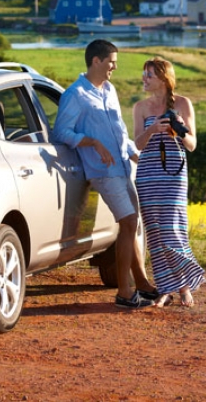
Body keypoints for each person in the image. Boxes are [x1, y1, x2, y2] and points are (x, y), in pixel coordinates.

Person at [54, 39, 159, 309]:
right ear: (96, 61)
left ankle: (142, 284)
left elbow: (120, 131)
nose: (115, 66)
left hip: (123, 166)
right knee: (128, 222)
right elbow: (61, 132)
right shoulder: (75, 95)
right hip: (101, 171)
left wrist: (137, 156)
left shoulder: (109, 89)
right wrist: (93, 142)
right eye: (111, 61)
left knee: (132, 225)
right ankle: (125, 292)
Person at [132, 57, 205, 307]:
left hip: (174, 175)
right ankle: (164, 288)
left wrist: (181, 129)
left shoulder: (183, 104)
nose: (144, 78)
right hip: (147, 175)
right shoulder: (139, 108)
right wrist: (153, 130)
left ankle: (184, 287)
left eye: (149, 75)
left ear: (163, 78)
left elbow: (193, 146)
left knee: (173, 230)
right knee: (154, 233)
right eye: (144, 74)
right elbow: (137, 145)